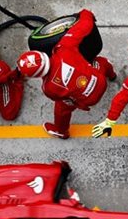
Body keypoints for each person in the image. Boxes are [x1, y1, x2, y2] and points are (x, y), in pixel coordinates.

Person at [16, 9, 116, 139]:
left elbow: (67, 98)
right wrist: (86, 14)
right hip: (100, 80)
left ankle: (61, 130)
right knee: (101, 61)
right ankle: (112, 75)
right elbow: (81, 28)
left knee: (62, 109)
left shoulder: (48, 88)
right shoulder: (64, 49)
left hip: (89, 100)